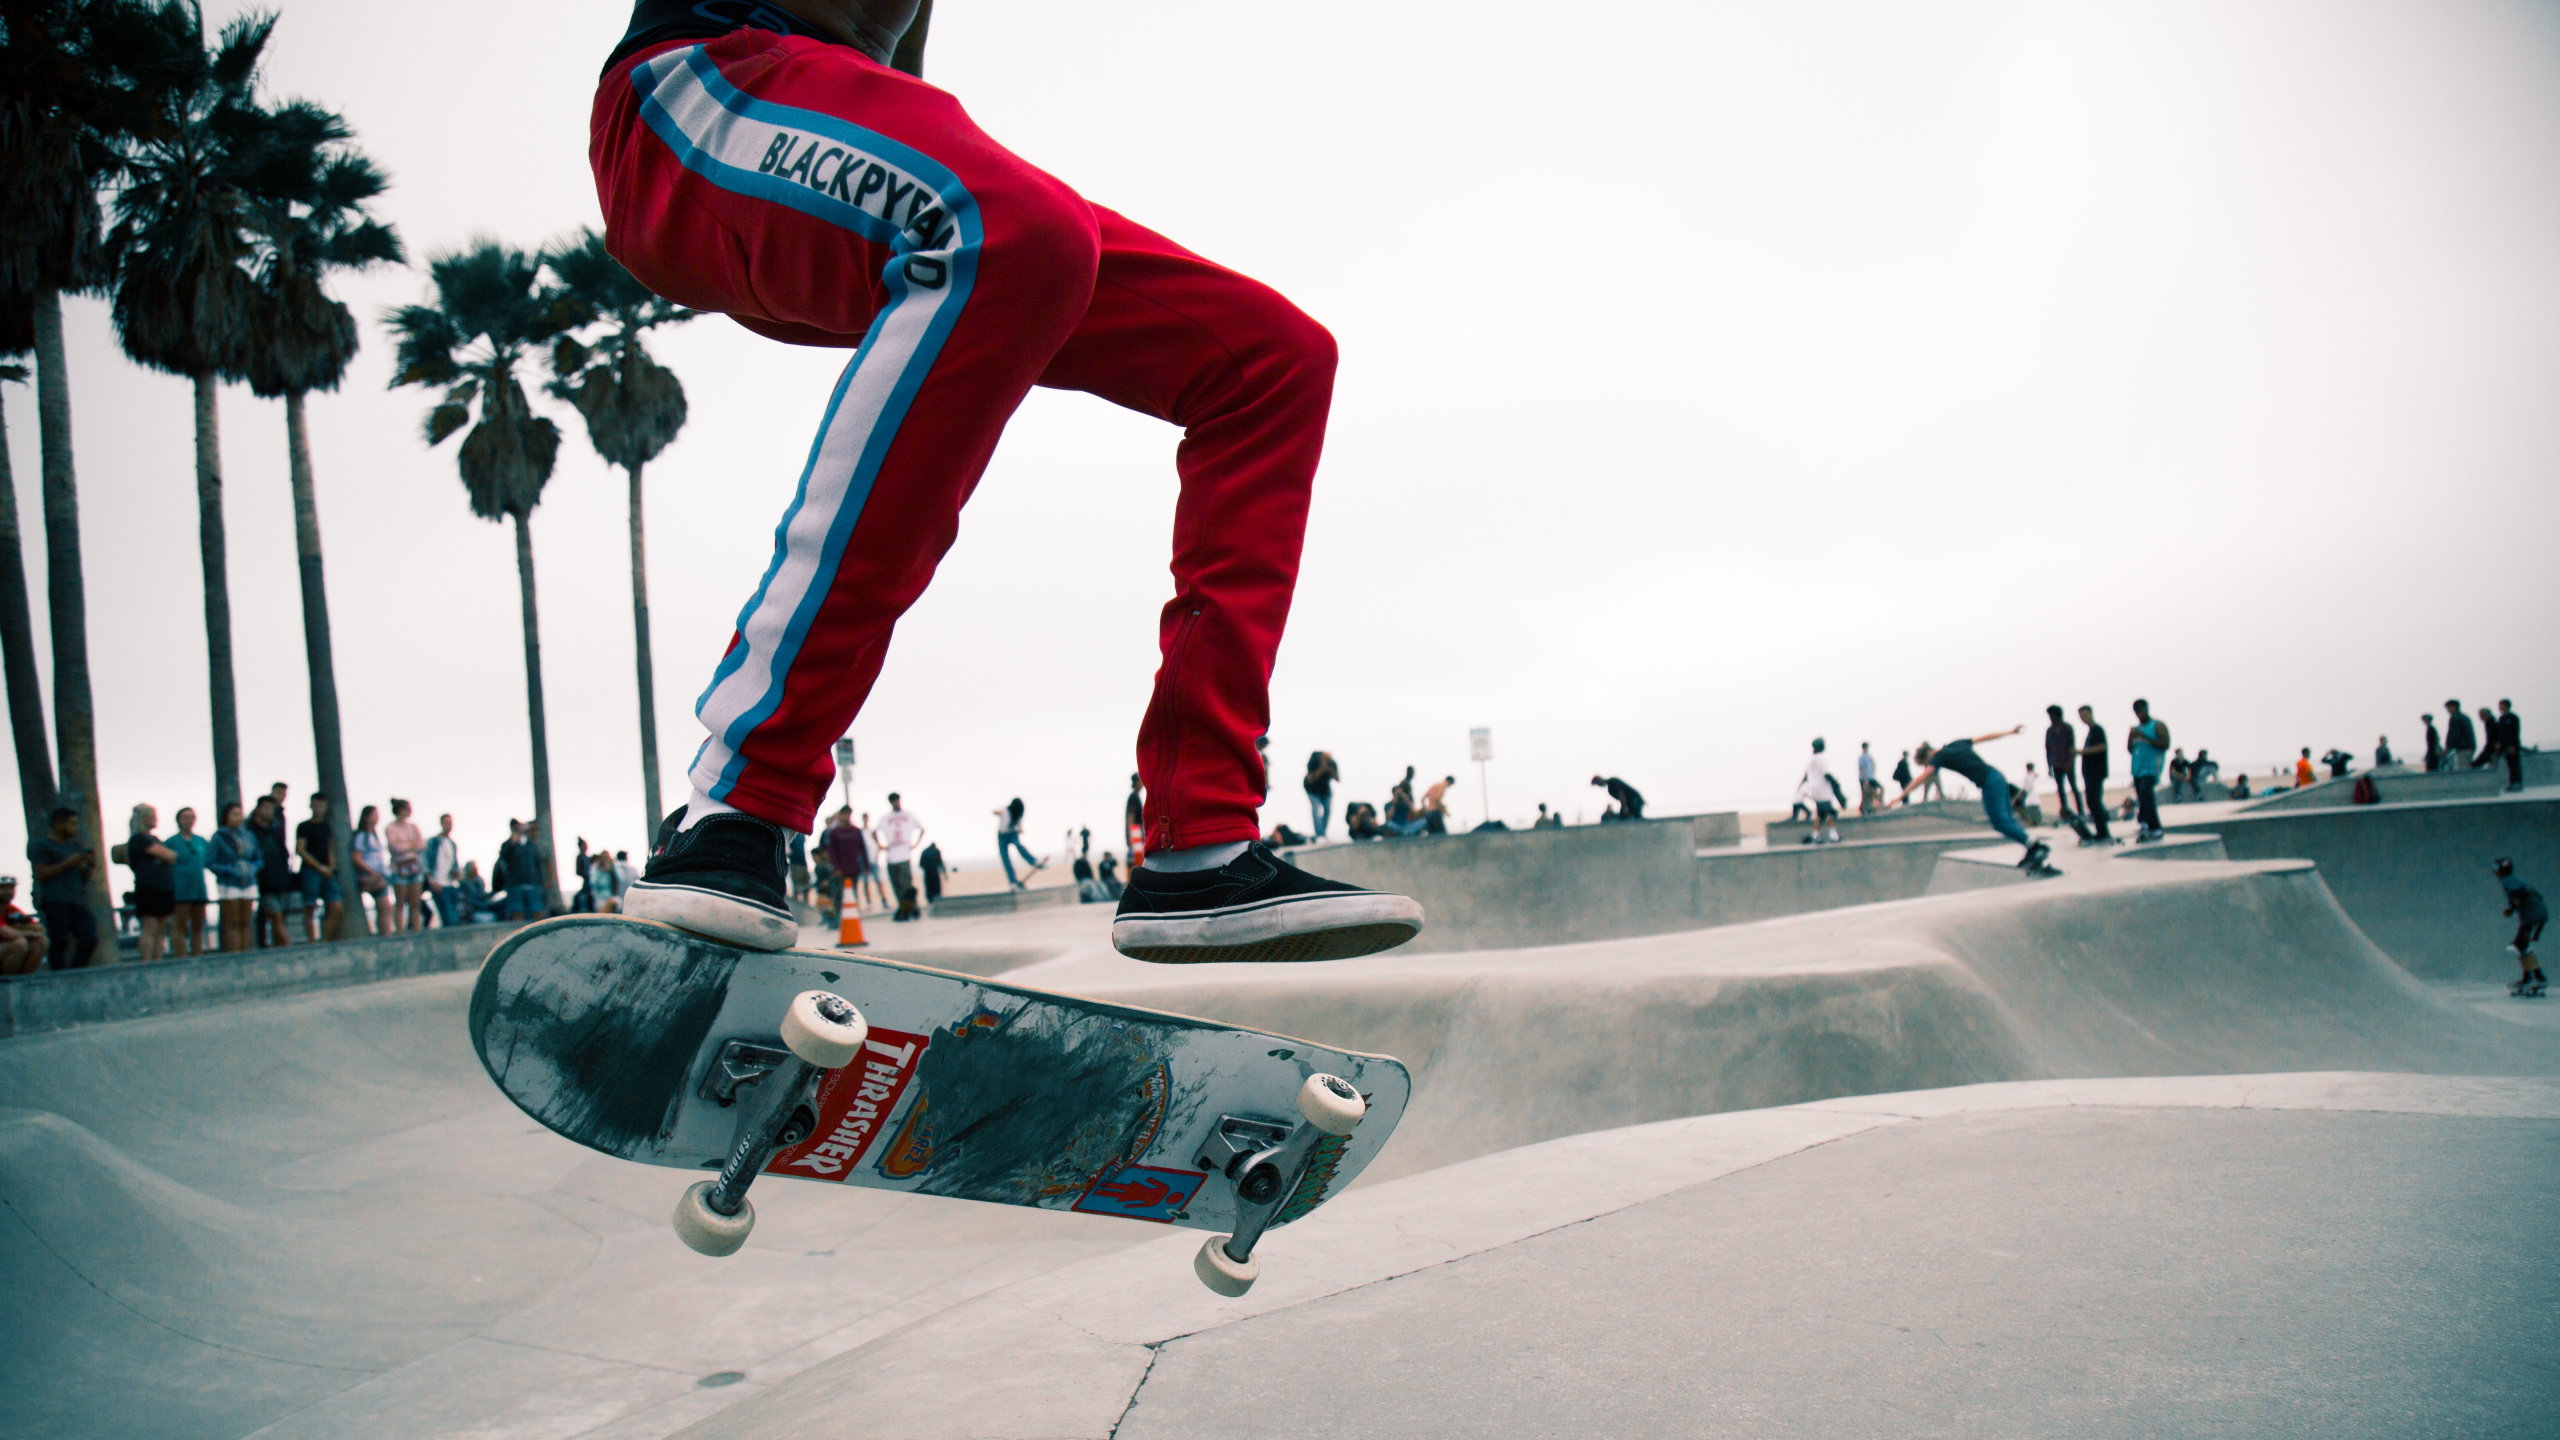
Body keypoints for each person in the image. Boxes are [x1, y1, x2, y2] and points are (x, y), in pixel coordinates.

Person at [590, 0, 1415, 966]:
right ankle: (737, 801)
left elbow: (893, 75)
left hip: (825, 152)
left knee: (1271, 357)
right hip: (687, 108)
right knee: (1017, 226)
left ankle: (1199, 841)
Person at [1893, 727, 2056, 876]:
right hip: (1997, 776)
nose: (1929, 766)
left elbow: (1923, 777)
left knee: (2001, 823)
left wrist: (1901, 796)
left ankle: (2037, 846)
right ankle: (2031, 847)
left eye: (1926, 764)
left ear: (1928, 755)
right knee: (2008, 820)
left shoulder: (1938, 756)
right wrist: (2010, 732)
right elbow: (1985, 737)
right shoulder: (1956, 744)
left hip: (1990, 782)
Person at [28, 806, 98, 969]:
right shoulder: (41, 845)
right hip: (55, 900)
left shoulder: (74, 846)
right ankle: (59, 975)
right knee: (59, 940)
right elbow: (40, 873)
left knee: (90, 936)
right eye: (72, 824)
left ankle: (76, 972)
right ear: (59, 824)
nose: (76, 828)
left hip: (75, 900)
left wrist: (89, 865)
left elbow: (83, 877)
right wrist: (68, 862)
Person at [122, 803, 180, 962]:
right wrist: (168, 855)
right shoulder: (139, 839)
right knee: (150, 927)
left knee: (161, 929)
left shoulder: (153, 839)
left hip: (163, 887)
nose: (156, 819)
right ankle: (146, 961)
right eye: (152, 816)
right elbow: (168, 855)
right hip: (148, 888)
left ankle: (157, 960)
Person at [207, 801, 260, 955]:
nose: (238, 818)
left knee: (246, 921)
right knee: (232, 922)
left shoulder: (248, 836)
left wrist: (253, 868)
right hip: (229, 883)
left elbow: (258, 856)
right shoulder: (219, 837)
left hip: (248, 881)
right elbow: (210, 861)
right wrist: (228, 870)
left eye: (240, 814)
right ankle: (234, 954)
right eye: (234, 814)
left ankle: (246, 953)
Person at [247, 793, 298, 947]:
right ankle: (288, 948)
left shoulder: (274, 831)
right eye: (267, 808)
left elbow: (283, 854)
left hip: (279, 881)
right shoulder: (250, 832)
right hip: (262, 883)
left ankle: (277, 948)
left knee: (278, 917)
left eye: (272, 809)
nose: (270, 812)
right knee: (275, 915)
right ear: (258, 809)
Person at [2494, 858, 2546, 997]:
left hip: (2531, 916)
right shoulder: (2513, 879)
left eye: (2496, 869)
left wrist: (2512, 909)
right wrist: (2513, 907)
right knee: (2523, 947)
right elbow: (2535, 894)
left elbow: (2523, 894)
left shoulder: (2507, 881)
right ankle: (2536, 977)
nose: (2494, 873)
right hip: (2536, 915)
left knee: (2519, 946)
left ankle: (2532, 978)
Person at [164, 806, 211, 957]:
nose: (188, 820)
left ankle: (197, 955)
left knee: (198, 926)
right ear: (179, 820)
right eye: (185, 817)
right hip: (180, 890)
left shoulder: (201, 841)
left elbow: (209, 860)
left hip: (199, 889)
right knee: (180, 926)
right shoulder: (171, 842)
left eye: (191, 817)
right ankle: (181, 956)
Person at [295, 794, 343, 941]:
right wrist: (319, 867)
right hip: (310, 871)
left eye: (322, 806)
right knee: (310, 906)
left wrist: (331, 867)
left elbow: (330, 848)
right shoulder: (304, 826)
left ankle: (324, 940)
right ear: (311, 806)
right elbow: (300, 850)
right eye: (316, 805)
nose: (319, 809)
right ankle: (312, 941)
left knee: (336, 906)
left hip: (327, 871)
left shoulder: (326, 826)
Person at [2124, 700, 2170, 842]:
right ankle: (2155, 829)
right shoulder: (2136, 729)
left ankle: (2143, 821)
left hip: (2152, 767)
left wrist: (2144, 737)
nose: (2139, 713)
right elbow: (2130, 749)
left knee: (2145, 791)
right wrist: (2131, 738)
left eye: (2141, 710)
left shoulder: (2157, 725)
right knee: (2145, 796)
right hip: (2137, 768)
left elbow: (2165, 744)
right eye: (2137, 711)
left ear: (2146, 709)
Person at [877, 794, 925, 921]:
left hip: (904, 856)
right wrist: (881, 845)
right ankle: (905, 909)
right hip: (891, 857)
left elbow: (922, 828)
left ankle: (912, 908)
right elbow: (874, 831)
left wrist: (915, 844)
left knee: (906, 885)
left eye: (896, 800)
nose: (895, 803)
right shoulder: (886, 818)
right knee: (897, 885)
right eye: (893, 801)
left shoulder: (908, 815)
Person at [2074, 705, 2116, 846]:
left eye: (2085, 714)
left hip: (2096, 772)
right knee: (2092, 801)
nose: (2083, 718)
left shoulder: (2097, 730)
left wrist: (2081, 752)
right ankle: (2101, 831)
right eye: (2081, 716)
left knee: (2094, 800)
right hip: (2090, 773)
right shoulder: (2091, 731)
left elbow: (2101, 747)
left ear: (2091, 714)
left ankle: (2103, 832)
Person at [385, 799, 426, 934]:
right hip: (399, 867)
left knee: (415, 901)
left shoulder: (413, 827)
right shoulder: (391, 828)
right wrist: (411, 844)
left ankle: (416, 928)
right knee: (400, 901)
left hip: (414, 865)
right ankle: (399, 930)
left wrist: (404, 844)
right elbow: (394, 848)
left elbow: (421, 845)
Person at [351, 804, 392, 936]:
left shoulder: (375, 835)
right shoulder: (361, 836)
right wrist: (371, 871)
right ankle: (384, 934)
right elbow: (357, 858)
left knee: (385, 907)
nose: (377, 818)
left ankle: (386, 933)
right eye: (374, 815)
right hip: (370, 874)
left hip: (380, 874)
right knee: (384, 905)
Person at [2041, 707, 2082, 823]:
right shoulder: (2049, 731)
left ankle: (2081, 812)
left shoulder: (2067, 728)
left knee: (2074, 787)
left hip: (2067, 762)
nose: (2050, 718)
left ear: (2057, 715)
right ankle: (2065, 813)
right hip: (2056, 764)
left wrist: (2070, 763)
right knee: (2060, 790)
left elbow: (2072, 747)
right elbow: (2048, 750)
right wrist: (2049, 766)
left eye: (2052, 716)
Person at [424, 814, 465, 929]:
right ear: (441, 823)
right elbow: (426, 863)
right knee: (449, 919)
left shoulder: (452, 844)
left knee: (455, 918)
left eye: (450, 823)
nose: (449, 826)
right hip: (439, 884)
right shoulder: (433, 842)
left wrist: (457, 874)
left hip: (451, 884)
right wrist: (432, 881)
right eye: (446, 823)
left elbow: (454, 863)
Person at [1798, 739, 1843, 845]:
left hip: (1814, 790)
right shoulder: (1822, 759)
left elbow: (1806, 776)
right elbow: (1826, 773)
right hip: (1823, 790)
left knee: (1820, 814)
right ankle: (1833, 836)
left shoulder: (1810, 760)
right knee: (1830, 813)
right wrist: (1835, 783)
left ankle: (1816, 835)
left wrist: (1800, 789)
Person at [0, 877, 45, 976]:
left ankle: (25, 979)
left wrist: (22, 929)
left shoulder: (11, 910)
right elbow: (7, 932)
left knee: (41, 942)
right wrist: (27, 932)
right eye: (3, 888)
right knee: (19, 944)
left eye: (10, 888)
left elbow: (39, 929)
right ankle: (7, 982)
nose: (7, 891)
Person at [994, 797, 1042, 888]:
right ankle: (1012, 881)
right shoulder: (1005, 810)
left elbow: (1019, 825)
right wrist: (996, 812)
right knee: (1005, 858)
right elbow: (996, 811)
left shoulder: (1019, 814)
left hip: (1013, 833)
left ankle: (1034, 861)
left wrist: (1021, 829)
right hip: (1002, 835)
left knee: (1019, 846)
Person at [2485, 699, 2524, 792]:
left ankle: (2517, 783)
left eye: (2501, 705)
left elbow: (2514, 733)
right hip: (2504, 746)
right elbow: (2501, 733)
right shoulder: (2501, 719)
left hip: (2512, 745)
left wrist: (2512, 745)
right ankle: (2512, 783)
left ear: (2506, 706)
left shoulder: (2513, 718)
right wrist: (2499, 743)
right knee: (2509, 765)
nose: (2499, 707)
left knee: (2514, 764)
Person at [1304, 751, 1338, 841]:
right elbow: (1311, 779)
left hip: (1325, 790)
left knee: (1328, 809)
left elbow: (1337, 778)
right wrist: (1322, 769)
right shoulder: (1314, 761)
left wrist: (1330, 769)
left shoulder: (1332, 763)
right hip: (1312, 789)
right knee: (1316, 808)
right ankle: (1319, 834)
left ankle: (1323, 833)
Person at [589, 847, 625, 914]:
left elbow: (622, 878)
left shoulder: (614, 867)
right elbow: (592, 883)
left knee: (616, 902)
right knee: (608, 905)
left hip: (612, 897)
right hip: (600, 899)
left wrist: (613, 866)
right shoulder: (596, 868)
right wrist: (601, 870)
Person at [2444, 700, 2476, 770]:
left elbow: (2455, 734)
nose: (2447, 710)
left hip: (2462, 748)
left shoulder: (2455, 718)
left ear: (2454, 707)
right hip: (2469, 747)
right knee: (2467, 768)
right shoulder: (2465, 717)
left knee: (2463, 771)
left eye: (2448, 707)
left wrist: (2448, 747)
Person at [1856, 742, 1880, 816]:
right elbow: (1861, 768)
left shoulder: (1869, 756)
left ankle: (1872, 806)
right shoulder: (1861, 757)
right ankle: (1863, 809)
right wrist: (1865, 779)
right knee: (1865, 793)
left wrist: (1873, 773)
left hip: (1871, 777)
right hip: (1864, 778)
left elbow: (1873, 765)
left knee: (1873, 791)